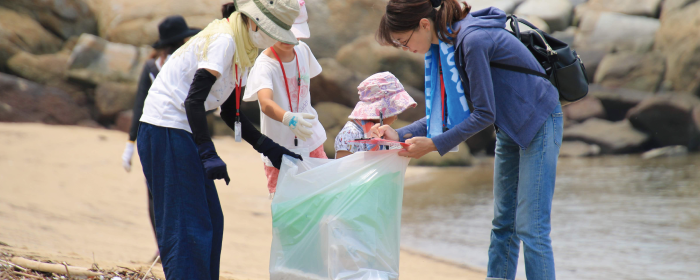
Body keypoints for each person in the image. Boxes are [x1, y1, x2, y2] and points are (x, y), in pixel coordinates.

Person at [370, 1, 563, 279]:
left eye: (403, 42)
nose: (406, 49)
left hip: (540, 120)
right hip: (510, 127)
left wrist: (435, 145)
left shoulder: (470, 40)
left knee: (531, 227)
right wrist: (399, 135)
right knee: (503, 224)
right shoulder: (446, 46)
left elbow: (484, 114)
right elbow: (449, 113)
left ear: (424, 25)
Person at [135, 0, 303, 278]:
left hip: (182, 129)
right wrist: (207, 152)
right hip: (165, 127)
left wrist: (271, 149)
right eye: (274, 30)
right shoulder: (225, 40)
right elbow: (193, 101)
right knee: (189, 225)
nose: (274, 38)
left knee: (212, 219)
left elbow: (230, 111)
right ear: (253, 21)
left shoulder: (245, 49)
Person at [120, 15, 200, 261]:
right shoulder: (153, 68)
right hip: (165, 133)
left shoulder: (187, 64)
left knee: (165, 192)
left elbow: (139, 107)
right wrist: (131, 142)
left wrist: (131, 143)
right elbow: (141, 104)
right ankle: (165, 245)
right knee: (160, 192)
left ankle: (176, 244)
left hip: (174, 135)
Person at [243, 0, 327, 194]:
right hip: (279, 148)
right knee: (285, 204)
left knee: (321, 196)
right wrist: (288, 118)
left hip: (312, 138)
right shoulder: (265, 65)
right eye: (283, 34)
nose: (290, 40)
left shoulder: (303, 50)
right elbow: (265, 102)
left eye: (294, 36)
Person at [334, 72, 416, 159]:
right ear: (380, 111)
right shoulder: (350, 134)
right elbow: (343, 170)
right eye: (394, 112)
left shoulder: (383, 134)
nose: (396, 117)